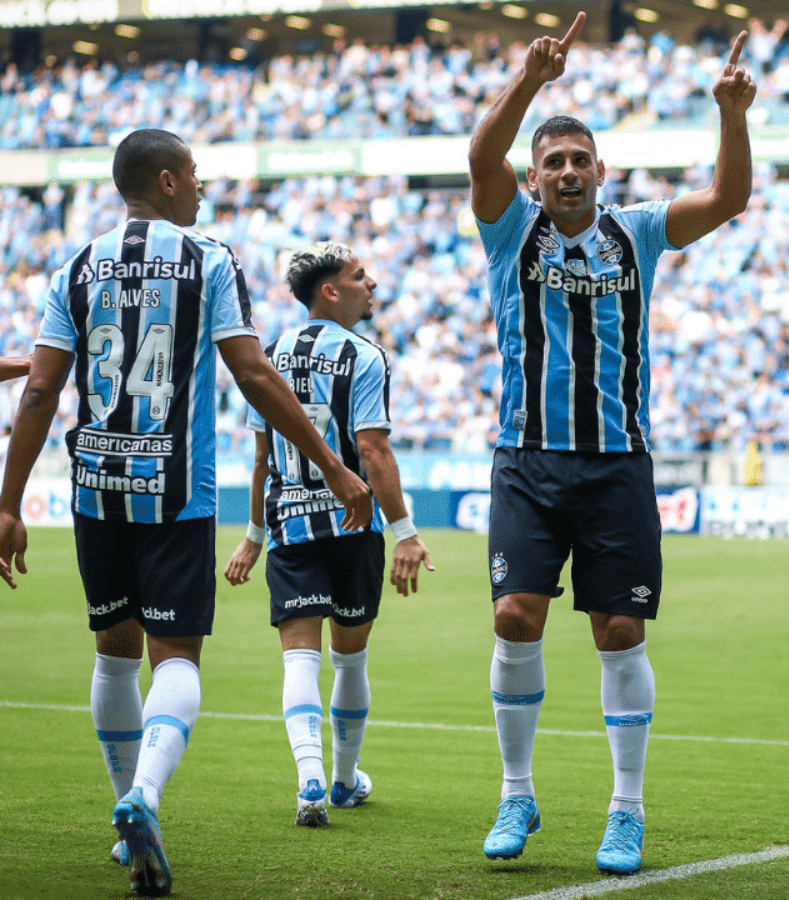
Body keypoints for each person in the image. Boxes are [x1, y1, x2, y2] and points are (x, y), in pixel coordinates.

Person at [0, 129, 373, 897]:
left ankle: (121, 804)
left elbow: (39, 390)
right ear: (166, 181)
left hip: (95, 489)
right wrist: (333, 465)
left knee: (113, 648)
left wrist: (7, 505)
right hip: (175, 493)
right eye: (195, 175)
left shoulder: (72, 265)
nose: (201, 187)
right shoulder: (209, 258)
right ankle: (146, 795)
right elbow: (255, 375)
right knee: (177, 658)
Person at [467, 12, 755, 876]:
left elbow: (730, 199)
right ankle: (517, 790)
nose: (565, 172)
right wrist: (528, 83)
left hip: (617, 464)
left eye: (578, 160)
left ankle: (625, 811)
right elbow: (480, 162)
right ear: (534, 176)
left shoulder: (639, 230)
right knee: (515, 614)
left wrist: (732, 116)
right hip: (527, 459)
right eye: (551, 161)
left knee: (619, 628)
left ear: (601, 172)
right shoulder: (508, 228)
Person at [223, 241, 434, 827]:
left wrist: (253, 535)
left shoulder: (265, 357)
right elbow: (372, 450)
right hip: (352, 522)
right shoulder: (366, 355)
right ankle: (343, 779)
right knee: (350, 660)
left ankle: (308, 777)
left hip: (291, 524)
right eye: (360, 277)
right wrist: (406, 533)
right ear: (330, 291)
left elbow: (263, 457)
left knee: (298, 658)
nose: (373, 286)